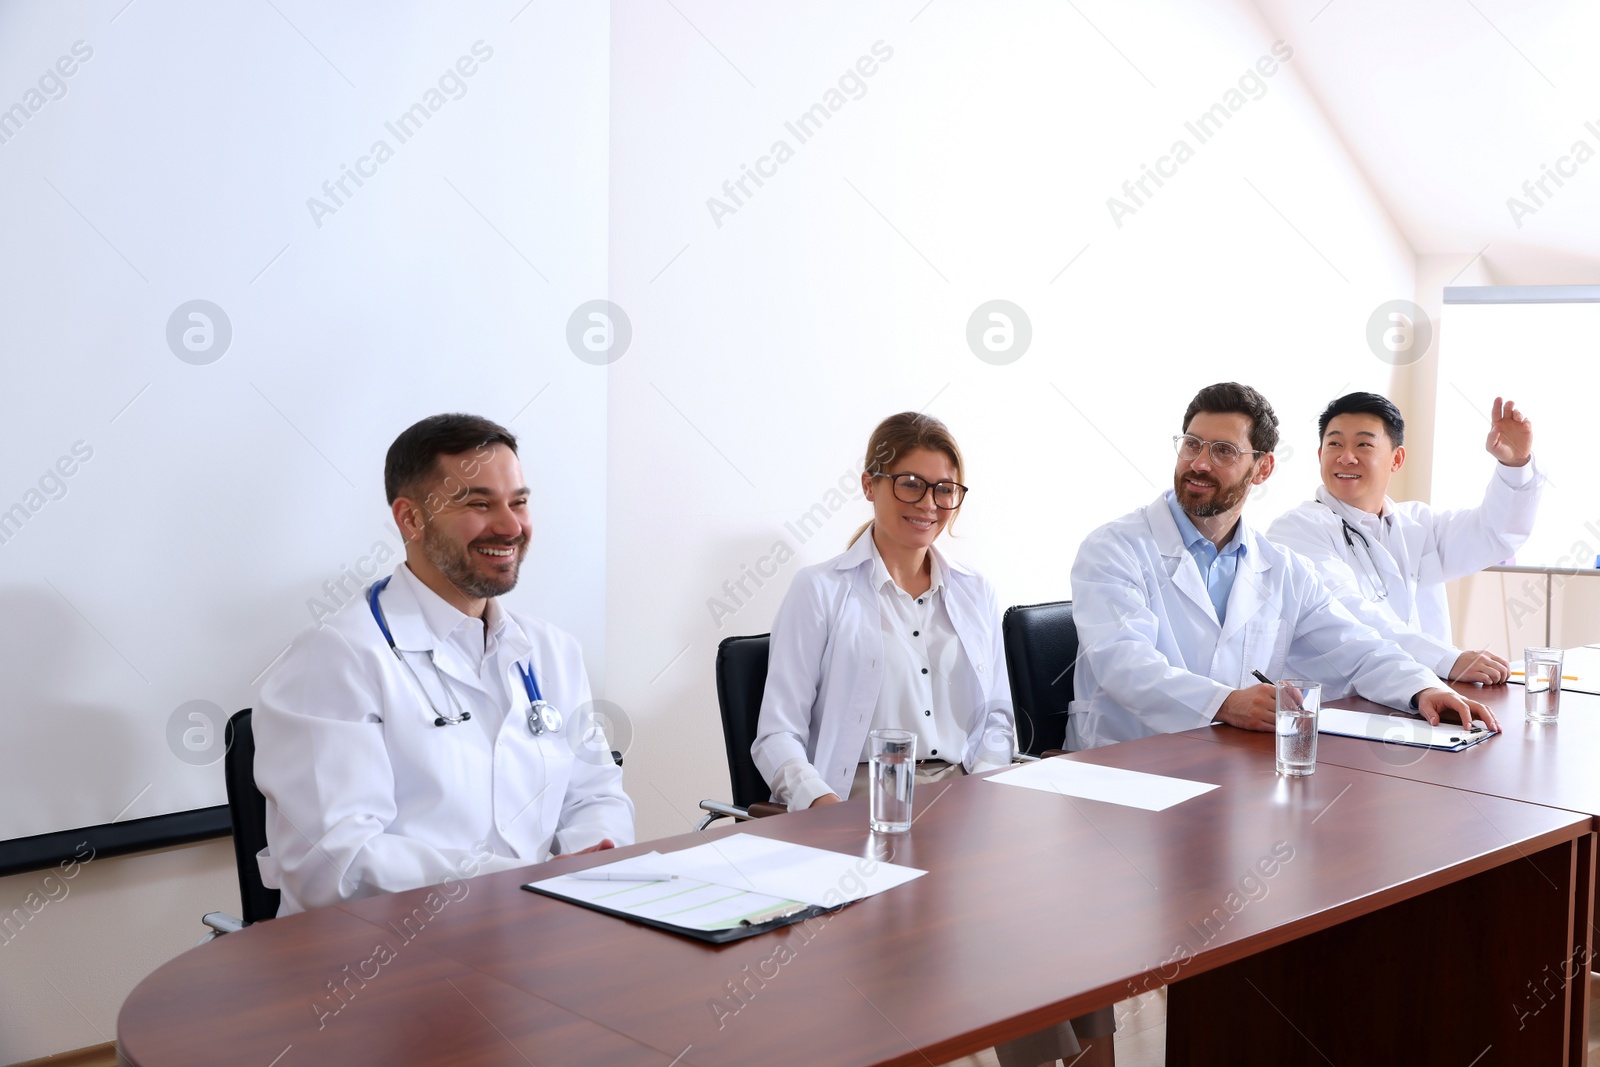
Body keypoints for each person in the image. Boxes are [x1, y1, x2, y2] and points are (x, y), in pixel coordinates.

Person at [752, 412, 1114, 1067]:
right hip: (863, 803)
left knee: (1065, 896)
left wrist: (991, 790)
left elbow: (1000, 717)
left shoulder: (974, 591)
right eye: (911, 484)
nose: (929, 504)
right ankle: (1042, 1057)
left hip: (967, 799)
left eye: (945, 489)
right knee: (994, 914)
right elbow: (774, 734)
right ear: (870, 483)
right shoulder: (821, 590)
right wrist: (819, 807)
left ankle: (1088, 1053)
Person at [255, 413, 633, 915]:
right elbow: (336, 864)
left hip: (534, 933)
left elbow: (595, 796)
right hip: (380, 960)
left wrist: (589, 857)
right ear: (410, 519)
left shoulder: (551, 652)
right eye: (479, 504)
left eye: (518, 502)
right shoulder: (333, 659)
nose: (510, 526)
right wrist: (523, 884)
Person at [1069, 383, 1496, 751]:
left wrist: (1423, 687)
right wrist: (1226, 702)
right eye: (1192, 444)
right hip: (1127, 766)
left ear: (1263, 468)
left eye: (1223, 451)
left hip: (1230, 764)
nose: (1200, 463)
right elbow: (1122, 664)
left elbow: (1357, 649)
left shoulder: (1281, 567)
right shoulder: (1115, 548)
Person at [1267, 392, 1542, 688]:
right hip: (1341, 706)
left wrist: (1515, 466)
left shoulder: (1419, 524)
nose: (1346, 456)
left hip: (1426, 697)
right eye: (1334, 444)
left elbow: (1494, 534)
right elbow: (1349, 613)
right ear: (1320, 455)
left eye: (1363, 444)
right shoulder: (1297, 530)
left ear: (1396, 459)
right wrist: (1447, 658)